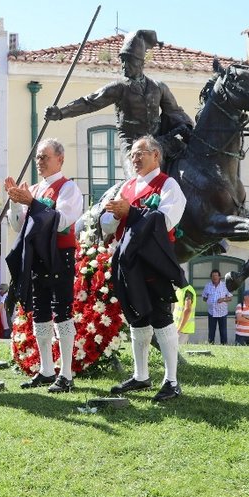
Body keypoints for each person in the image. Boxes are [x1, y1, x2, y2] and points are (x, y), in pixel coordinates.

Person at [103, 136, 187, 402]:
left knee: (161, 317)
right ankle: (141, 375)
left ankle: (171, 380)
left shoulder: (168, 185)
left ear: (156, 156)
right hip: (129, 263)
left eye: (141, 153)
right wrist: (114, 215)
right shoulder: (126, 186)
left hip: (154, 262)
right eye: (133, 155)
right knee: (136, 317)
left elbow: (167, 220)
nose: (135, 159)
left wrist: (132, 212)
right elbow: (106, 224)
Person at [45, 29, 194, 176]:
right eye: (122, 61)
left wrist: (188, 128)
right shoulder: (119, 87)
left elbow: (175, 112)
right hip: (131, 145)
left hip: (156, 143)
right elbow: (89, 102)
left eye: (129, 61)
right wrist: (60, 113)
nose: (124, 65)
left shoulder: (158, 88)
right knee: (136, 177)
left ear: (140, 63)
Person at [5, 138, 83, 393]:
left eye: (45, 157)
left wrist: (31, 203)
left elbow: (62, 220)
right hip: (37, 257)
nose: (40, 161)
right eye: (38, 157)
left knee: (62, 312)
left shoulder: (68, 188)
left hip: (60, 255)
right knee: (39, 312)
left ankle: (67, 374)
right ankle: (47, 370)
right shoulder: (36, 189)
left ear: (60, 159)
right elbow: (19, 226)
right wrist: (16, 202)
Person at [202, 270, 232, 345]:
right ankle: (211, 345)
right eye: (213, 276)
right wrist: (210, 301)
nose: (214, 277)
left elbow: (230, 298)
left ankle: (224, 346)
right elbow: (204, 298)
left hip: (222, 313)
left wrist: (223, 299)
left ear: (219, 277)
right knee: (211, 331)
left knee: (223, 331)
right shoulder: (207, 286)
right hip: (211, 312)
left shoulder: (225, 285)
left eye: (216, 275)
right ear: (211, 277)